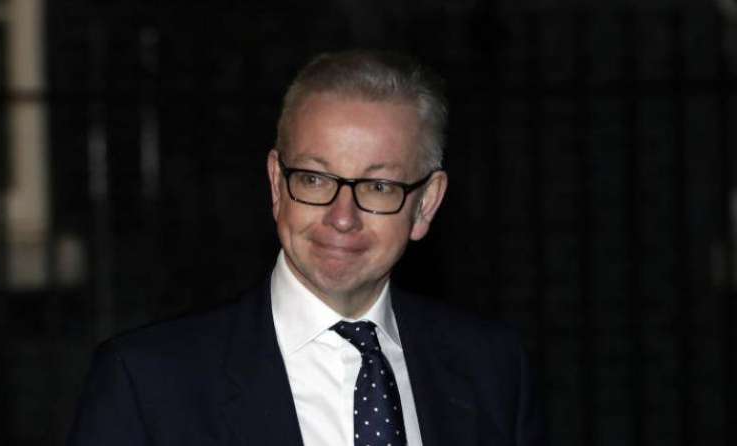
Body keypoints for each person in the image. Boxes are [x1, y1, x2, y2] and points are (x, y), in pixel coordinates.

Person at [67, 49, 547, 446]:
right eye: (315, 179)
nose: (342, 217)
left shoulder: (491, 368)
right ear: (277, 185)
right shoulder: (147, 384)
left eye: (378, 187)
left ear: (425, 205)